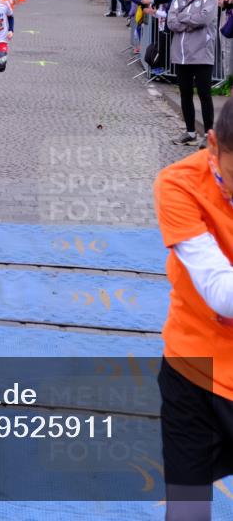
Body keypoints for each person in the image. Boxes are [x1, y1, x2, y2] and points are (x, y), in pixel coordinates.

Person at [154, 98, 233, 520]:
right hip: (193, 373)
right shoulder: (179, 183)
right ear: (213, 144)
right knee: (186, 511)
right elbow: (220, 291)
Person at [167, 0, 219, 149]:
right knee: (185, 94)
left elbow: (203, 19)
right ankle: (189, 132)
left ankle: (208, 134)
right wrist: (188, 21)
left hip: (202, 53)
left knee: (204, 94)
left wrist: (183, 19)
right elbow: (171, 22)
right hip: (181, 54)